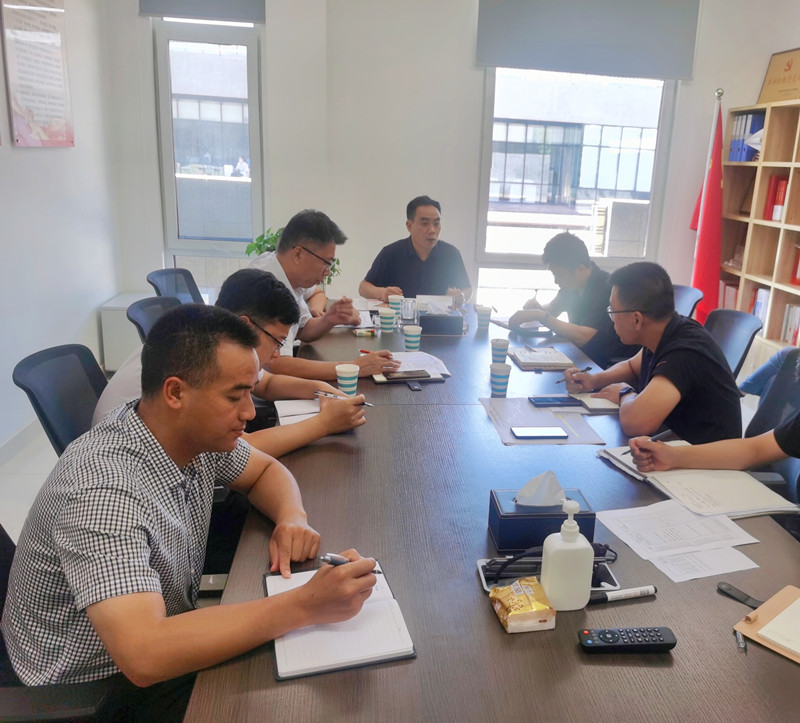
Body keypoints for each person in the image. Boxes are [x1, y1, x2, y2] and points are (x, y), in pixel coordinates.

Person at [1, 304, 377, 719]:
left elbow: (265, 470)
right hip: (91, 686)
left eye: (250, 391)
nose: (250, 412)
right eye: (235, 396)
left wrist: (293, 517)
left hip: (151, 634)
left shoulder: (182, 430)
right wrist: (306, 604)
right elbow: (144, 654)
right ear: (175, 393)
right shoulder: (103, 488)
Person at [94, 269, 367, 457]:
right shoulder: (202, 359)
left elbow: (266, 384)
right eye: (277, 341)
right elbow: (244, 450)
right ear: (245, 325)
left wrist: (321, 389)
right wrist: (324, 424)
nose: (276, 354)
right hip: (133, 463)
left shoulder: (211, 338)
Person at [564, 261, 742, 444]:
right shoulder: (666, 329)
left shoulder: (684, 352)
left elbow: (636, 423)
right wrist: (594, 380)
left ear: (636, 319)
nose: (611, 319)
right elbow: (632, 366)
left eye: (613, 311)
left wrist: (624, 393)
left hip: (707, 458)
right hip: (677, 446)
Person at [250, 209, 399, 380]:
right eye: (326, 263)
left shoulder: (287, 273)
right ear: (298, 254)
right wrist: (355, 367)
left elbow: (303, 329)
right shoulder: (265, 288)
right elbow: (278, 365)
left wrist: (330, 319)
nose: (328, 272)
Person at [508, 232, 639, 368]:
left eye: (559, 275)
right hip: (581, 355)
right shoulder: (571, 285)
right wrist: (537, 309)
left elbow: (585, 336)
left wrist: (540, 315)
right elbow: (552, 310)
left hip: (605, 363)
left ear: (580, 269)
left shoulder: (606, 289)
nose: (556, 281)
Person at [358, 195, 472, 304]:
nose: (432, 230)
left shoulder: (451, 254)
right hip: (398, 316)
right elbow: (363, 288)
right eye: (425, 224)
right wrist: (382, 293)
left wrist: (461, 296)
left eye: (436, 224)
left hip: (438, 316)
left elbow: (467, 289)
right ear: (409, 226)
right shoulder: (391, 253)